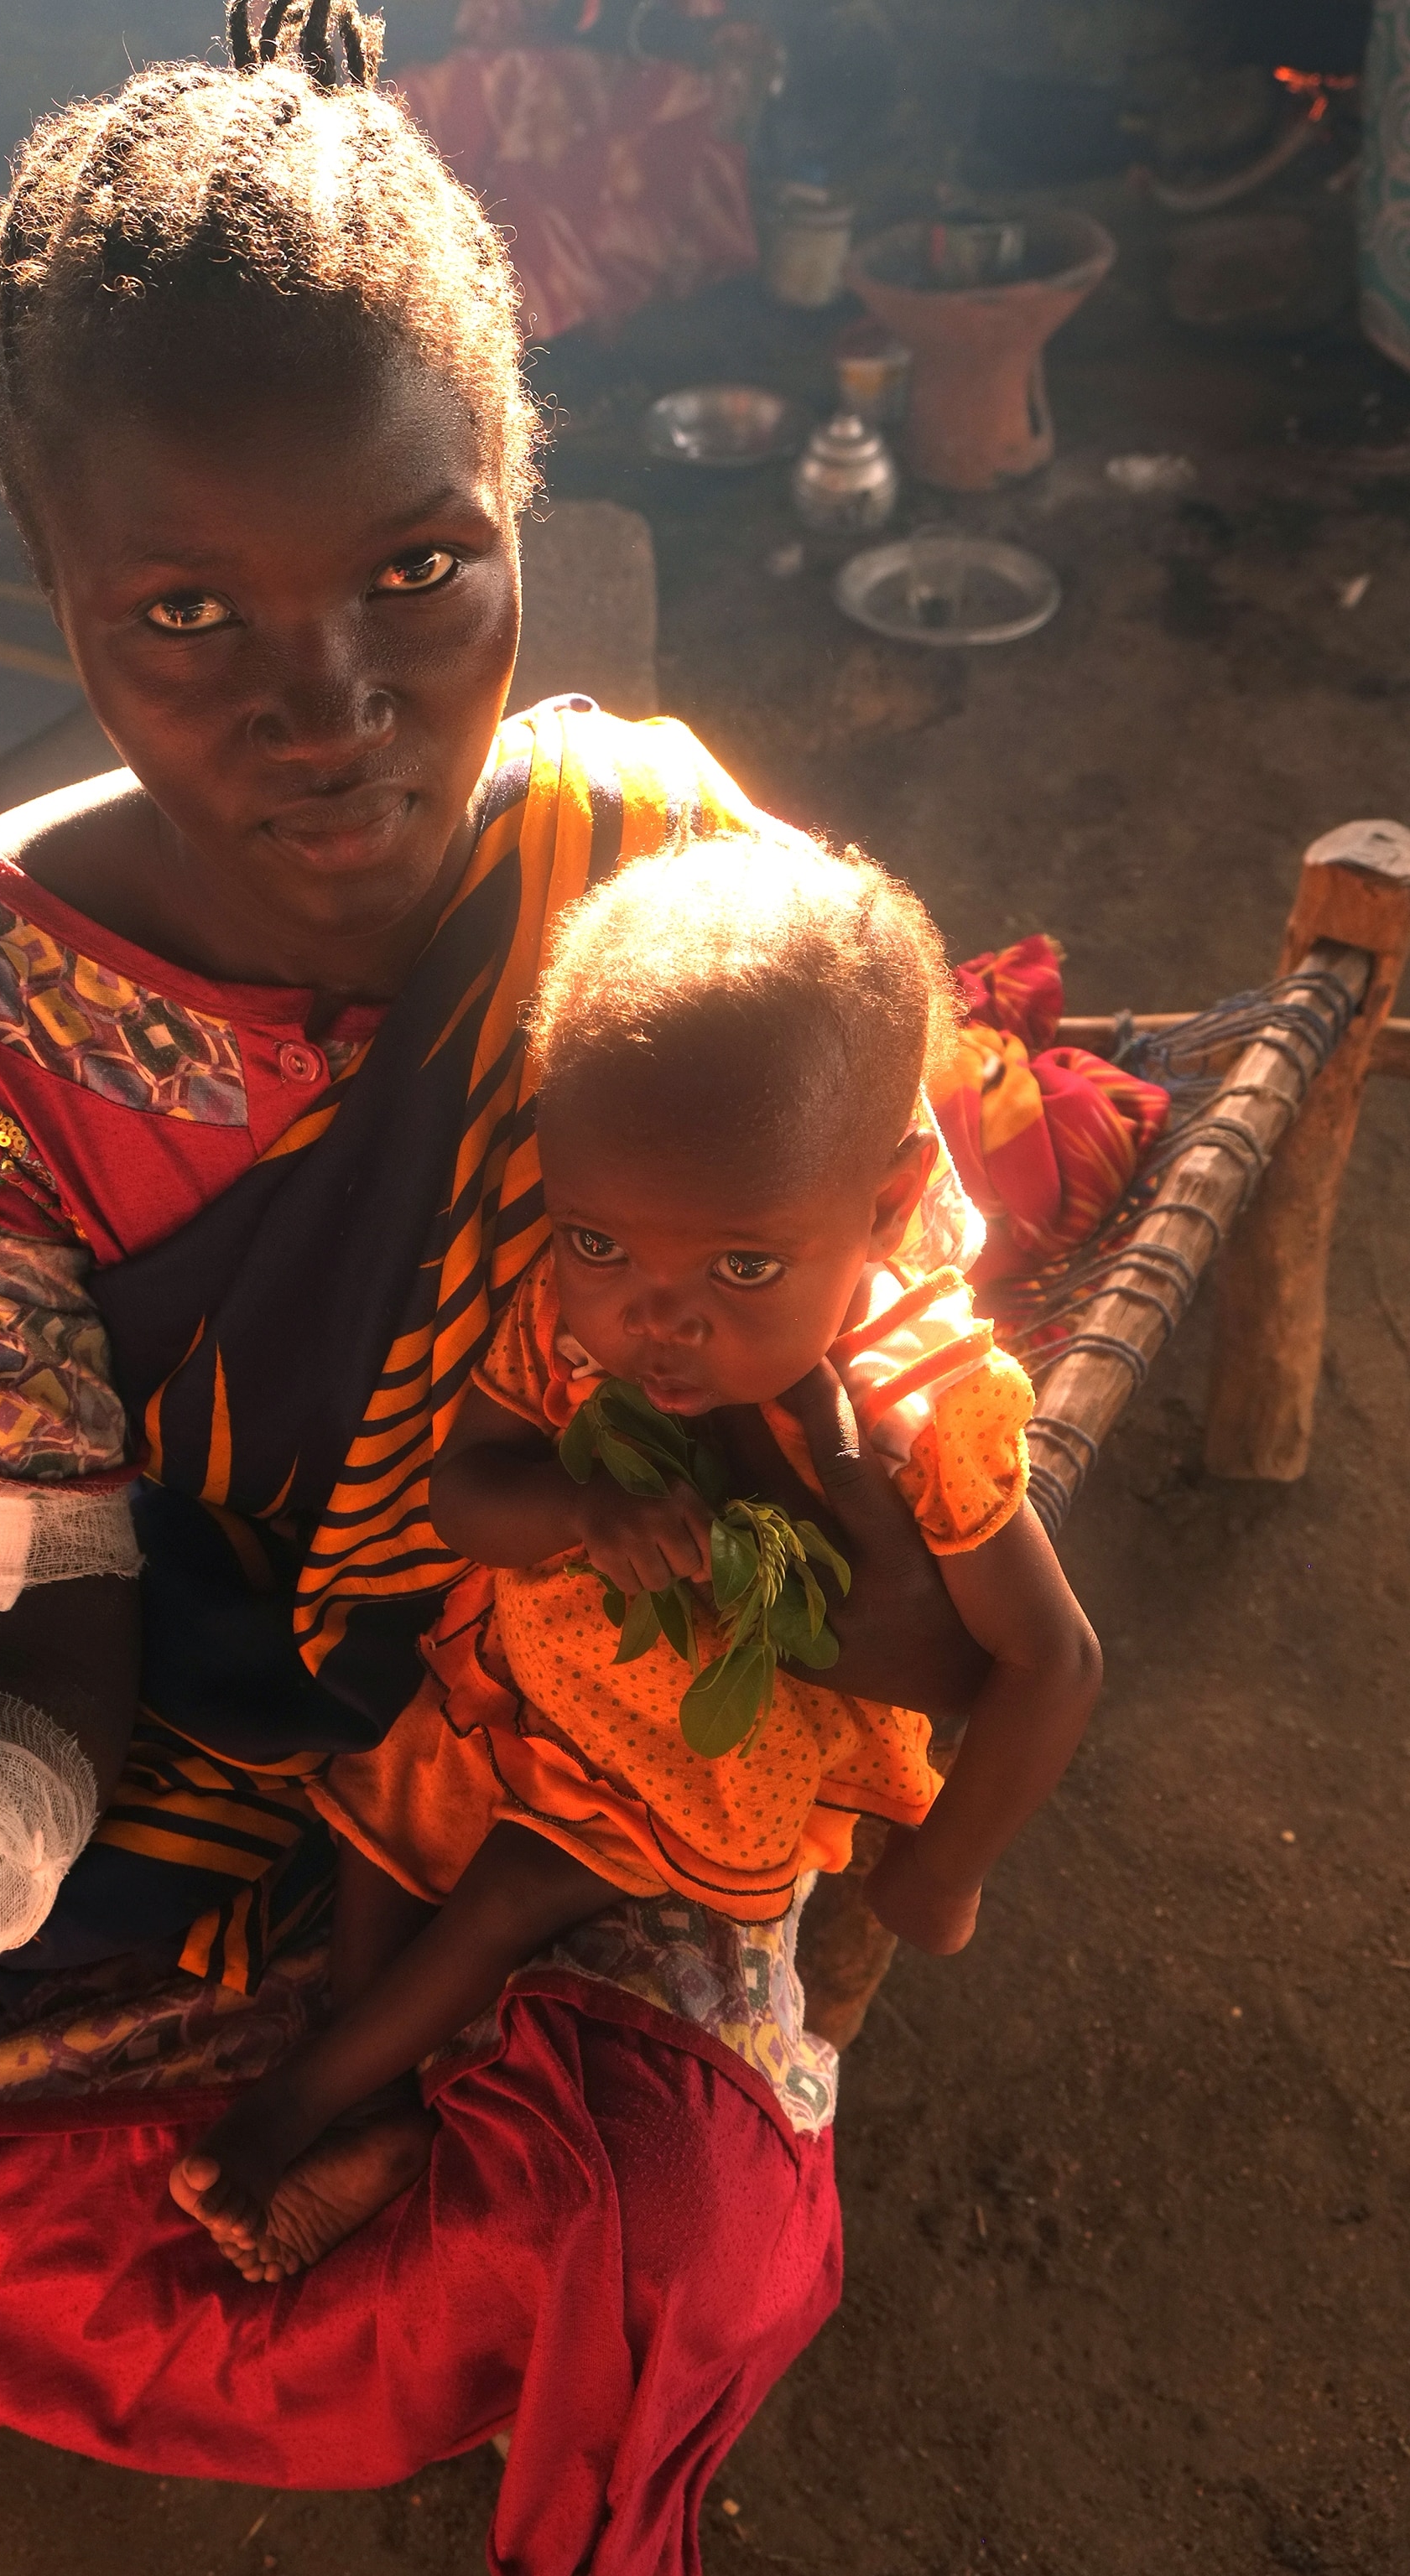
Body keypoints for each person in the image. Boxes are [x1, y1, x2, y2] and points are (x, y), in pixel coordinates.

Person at [0, 8, 994, 2561]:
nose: (332, 703)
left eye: (421, 566)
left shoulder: (653, 860)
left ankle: (266, 2243)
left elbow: (879, 1332)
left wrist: (816, 1650)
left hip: (594, 1755)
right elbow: (36, 1582)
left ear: (513, 498)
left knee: (682, 2230)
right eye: (186, 607)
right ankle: (197, 2227)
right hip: (192, 1727)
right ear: (58, 600)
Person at [170, 830, 1103, 2279]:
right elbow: (463, 1499)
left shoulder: (921, 1402)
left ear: (880, 1203)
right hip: (511, 1681)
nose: (657, 1318)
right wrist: (585, 1513)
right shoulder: (566, 1314)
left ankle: (296, 2103)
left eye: (742, 1269)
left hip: (688, 1754)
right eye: (601, 1241)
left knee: (505, 1895)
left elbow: (1051, 1658)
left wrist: (946, 1873)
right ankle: (387, 2111)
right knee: (377, 1830)